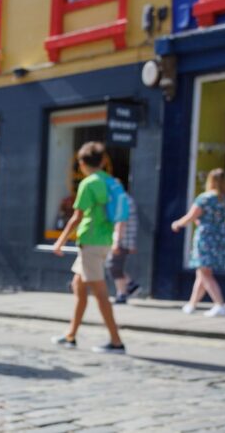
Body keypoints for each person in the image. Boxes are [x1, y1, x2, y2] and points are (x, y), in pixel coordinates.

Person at [52, 141, 126, 354]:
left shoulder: (88, 183)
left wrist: (60, 241)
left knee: (100, 293)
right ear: (102, 162)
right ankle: (70, 335)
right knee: (79, 288)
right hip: (101, 241)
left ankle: (116, 341)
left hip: (91, 243)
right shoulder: (111, 181)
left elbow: (77, 216)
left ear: (82, 163)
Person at [172, 168, 225, 317]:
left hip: (206, 237)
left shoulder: (204, 198)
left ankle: (220, 304)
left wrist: (178, 224)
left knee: (204, 273)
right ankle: (192, 304)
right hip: (221, 238)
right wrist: (221, 224)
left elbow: (191, 216)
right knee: (202, 273)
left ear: (211, 181)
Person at [108, 191, 139, 304]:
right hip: (126, 240)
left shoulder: (121, 200)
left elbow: (120, 222)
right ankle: (130, 285)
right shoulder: (127, 199)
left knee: (114, 266)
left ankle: (122, 294)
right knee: (115, 266)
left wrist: (116, 241)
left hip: (122, 240)